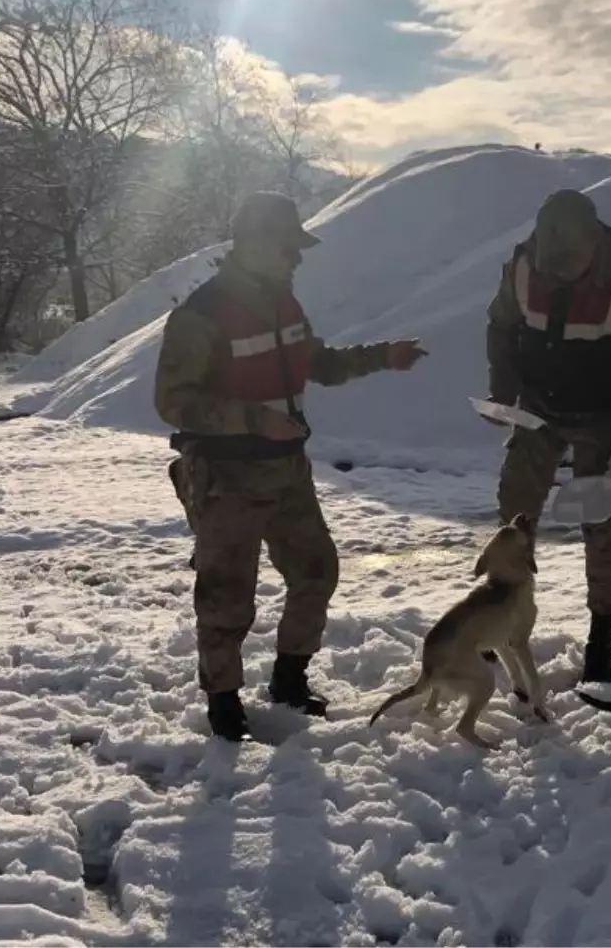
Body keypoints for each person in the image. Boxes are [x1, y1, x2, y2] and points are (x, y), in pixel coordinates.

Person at [154, 191, 428, 741]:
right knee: (227, 592)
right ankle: (224, 701)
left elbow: (317, 363)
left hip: (286, 468)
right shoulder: (200, 315)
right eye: (288, 247)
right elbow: (173, 402)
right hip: (226, 475)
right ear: (255, 245)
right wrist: (253, 421)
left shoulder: (284, 303)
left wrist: (383, 356)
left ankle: (289, 679)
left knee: (316, 571)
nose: (297, 258)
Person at [484, 188, 611, 682]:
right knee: (514, 515)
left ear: (595, 241)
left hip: (604, 418)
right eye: (552, 260)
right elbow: (502, 325)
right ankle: (496, 620)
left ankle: (601, 642)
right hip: (538, 412)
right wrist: (502, 390)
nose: (556, 269)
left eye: (567, 261)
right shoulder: (525, 267)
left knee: (600, 524)